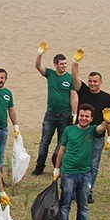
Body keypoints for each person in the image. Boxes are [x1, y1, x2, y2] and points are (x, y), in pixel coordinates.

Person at [53, 104, 110, 220]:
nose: (83, 118)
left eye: (87, 116)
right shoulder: (69, 130)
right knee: (65, 204)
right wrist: (57, 168)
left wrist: (107, 121)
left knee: (83, 205)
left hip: (85, 174)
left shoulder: (92, 131)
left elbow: (101, 128)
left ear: (91, 119)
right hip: (68, 173)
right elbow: (61, 150)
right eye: (82, 115)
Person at [70, 50, 110, 203]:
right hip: (80, 133)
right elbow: (75, 77)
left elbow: (109, 117)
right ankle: (75, 191)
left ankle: (87, 191)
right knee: (77, 162)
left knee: (93, 165)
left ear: (100, 82)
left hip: (97, 135)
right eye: (90, 81)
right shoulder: (82, 90)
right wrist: (75, 62)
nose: (92, 84)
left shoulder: (106, 97)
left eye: (95, 81)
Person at [32, 42, 77, 175]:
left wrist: (74, 114)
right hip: (50, 115)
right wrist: (40, 54)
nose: (64, 66)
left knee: (61, 143)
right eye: (61, 64)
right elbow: (37, 66)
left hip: (65, 116)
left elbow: (74, 97)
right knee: (44, 142)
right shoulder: (50, 74)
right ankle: (39, 167)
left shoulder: (70, 78)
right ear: (55, 64)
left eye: (65, 63)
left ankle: (58, 166)